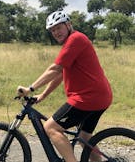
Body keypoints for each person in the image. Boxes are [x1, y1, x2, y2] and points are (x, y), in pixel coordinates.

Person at [17, 11, 112, 162]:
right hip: (99, 96)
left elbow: (55, 69)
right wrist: (42, 96)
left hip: (87, 98)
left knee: (51, 127)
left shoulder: (75, 39)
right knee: (84, 137)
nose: (56, 32)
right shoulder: (73, 42)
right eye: (52, 30)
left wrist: (30, 88)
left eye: (58, 28)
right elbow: (61, 74)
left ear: (68, 25)